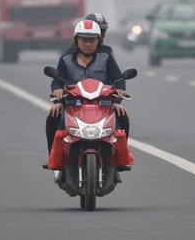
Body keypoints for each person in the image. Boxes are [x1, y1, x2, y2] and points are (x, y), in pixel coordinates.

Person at [43, 19, 130, 171]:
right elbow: (57, 82)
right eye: (84, 40)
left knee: (122, 117)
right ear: (77, 40)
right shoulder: (66, 60)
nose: (88, 44)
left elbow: (118, 79)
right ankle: (52, 156)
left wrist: (119, 95)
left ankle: (121, 158)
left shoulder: (106, 57)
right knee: (53, 116)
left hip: (103, 105)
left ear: (99, 41)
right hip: (73, 105)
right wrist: (57, 96)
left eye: (92, 40)